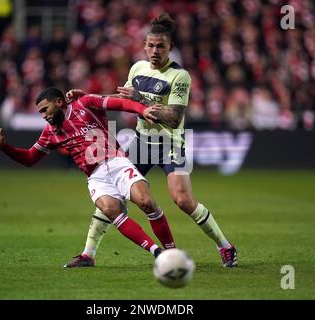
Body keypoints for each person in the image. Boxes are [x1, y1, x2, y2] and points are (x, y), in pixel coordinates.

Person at [66, 13, 238, 268]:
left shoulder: (180, 77)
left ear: (170, 47)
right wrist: (88, 98)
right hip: (141, 143)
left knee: (183, 200)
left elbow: (174, 118)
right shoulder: (137, 68)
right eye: (151, 45)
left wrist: (142, 99)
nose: (155, 51)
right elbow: (124, 98)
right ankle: (88, 254)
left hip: (170, 145)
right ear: (144, 46)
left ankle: (225, 246)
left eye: (161, 46)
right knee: (112, 195)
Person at [0, 87, 176, 264]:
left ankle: (171, 250)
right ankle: (158, 253)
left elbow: (121, 103)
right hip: (96, 177)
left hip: (116, 162)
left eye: (45, 110)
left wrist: (141, 110)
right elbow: (30, 158)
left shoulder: (85, 103)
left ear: (59, 102)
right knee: (110, 209)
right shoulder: (50, 133)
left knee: (146, 202)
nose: (44, 116)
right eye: (40, 113)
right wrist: (4, 147)